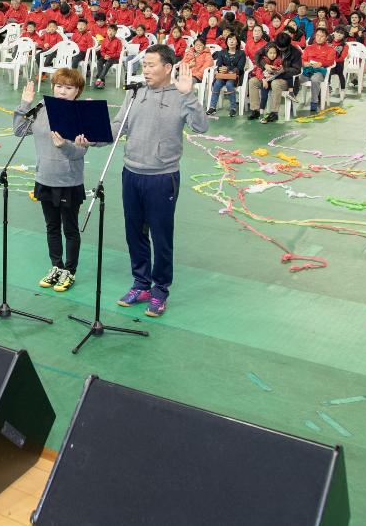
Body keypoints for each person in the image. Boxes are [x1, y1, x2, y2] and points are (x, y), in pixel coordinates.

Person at [111, 45, 208, 318]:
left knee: (161, 236)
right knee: (134, 233)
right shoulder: (135, 93)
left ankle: (160, 290)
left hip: (162, 177)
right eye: (145, 65)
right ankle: (141, 284)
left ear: (168, 68)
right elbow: (118, 127)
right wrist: (87, 135)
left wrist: (189, 95)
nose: (147, 70)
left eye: (152, 65)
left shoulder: (180, 96)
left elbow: (201, 127)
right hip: (131, 173)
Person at [15, 70, 95, 293]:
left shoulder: (81, 113)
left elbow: (80, 152)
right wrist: (25, 103)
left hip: (69, 181)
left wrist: (64, 146)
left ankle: (69, 270)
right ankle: (56, 266)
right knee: (51, 226)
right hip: (44, 178)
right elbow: (19, 130)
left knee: (70, 228)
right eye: (59, 86)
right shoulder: (41, 108)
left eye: (69, 88)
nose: (62, 91)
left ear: (77, 91)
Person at [208, 33, 246, 116]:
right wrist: (220, 69)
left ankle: (233, 108)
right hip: (223, 75)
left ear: (237, 42)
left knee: (229, 84)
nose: (231, 41)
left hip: (234, 76)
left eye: (233, 39)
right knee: (217, 83)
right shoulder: (222, 52)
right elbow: (218, 65)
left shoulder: (241, 53)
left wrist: (227, 69)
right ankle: (212, 107)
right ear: (226, 42)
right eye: (229, 39)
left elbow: (240, 67)